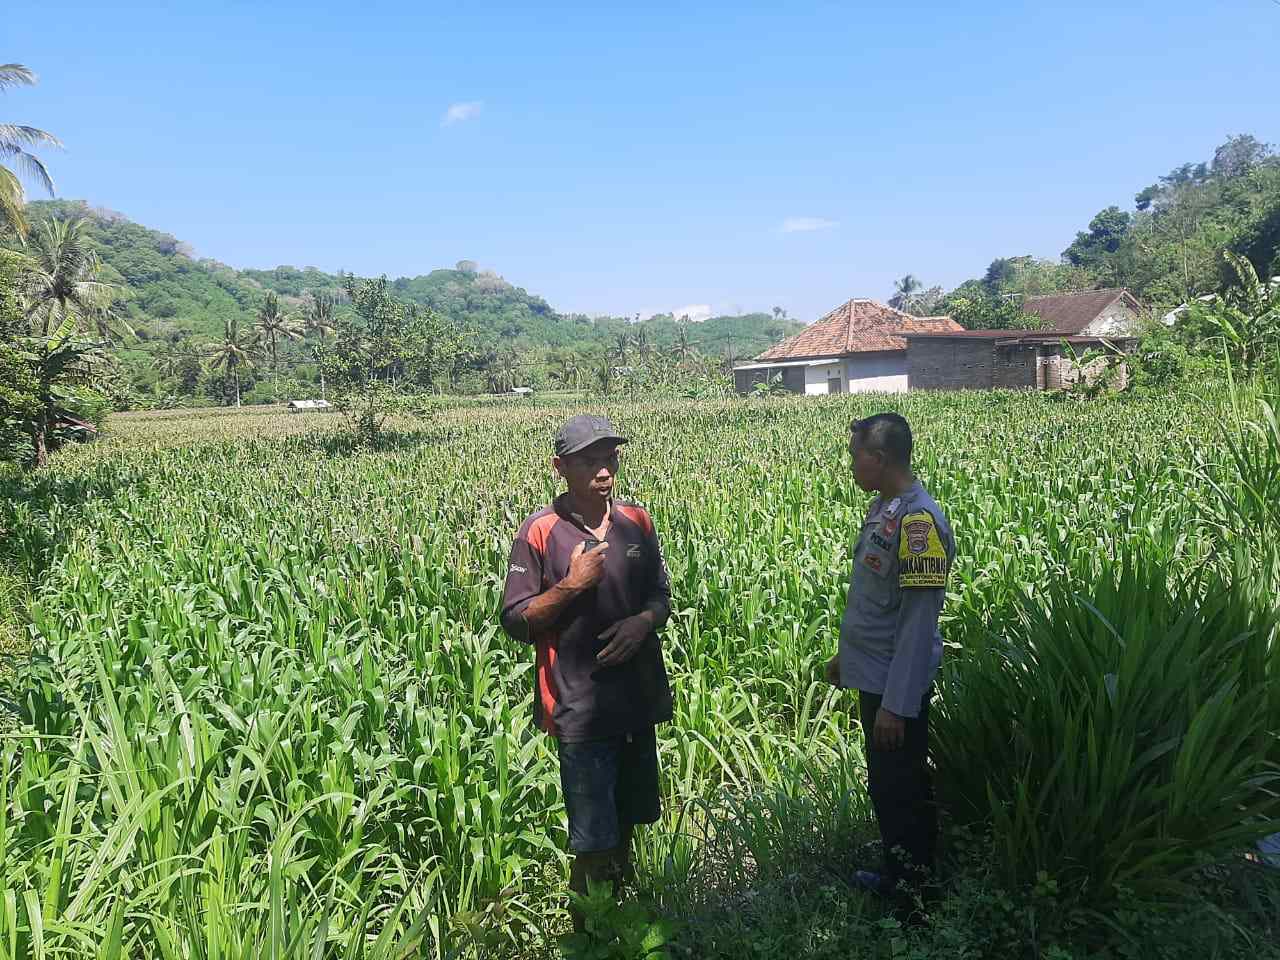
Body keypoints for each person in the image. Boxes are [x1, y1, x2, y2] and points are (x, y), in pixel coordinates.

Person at [499, 414, 672, 925]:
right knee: (592, 842)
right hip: (578, 710)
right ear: (560, 467)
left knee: (629, 826)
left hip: (635, 701)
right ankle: (589, 935)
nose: (603, 470)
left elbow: (660, 596)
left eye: (610, 458)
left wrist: (643, 622)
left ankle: (627, 928)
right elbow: (515, 620)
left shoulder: (636, 522)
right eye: (589, 460)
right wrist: (573, 584)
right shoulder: (540, 531)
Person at [824, 412, 955, 902]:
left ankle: (914, 899)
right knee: (887, 786)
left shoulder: (918, 522)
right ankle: (897, 874)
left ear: (878, 459)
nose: (851, 465)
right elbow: (874, 602)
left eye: (855, 456)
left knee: (902, 791)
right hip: (874, 674)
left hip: (893, 691)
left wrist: (896, 706)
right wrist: (847, 657)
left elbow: (918, 624)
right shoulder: (887, 508)